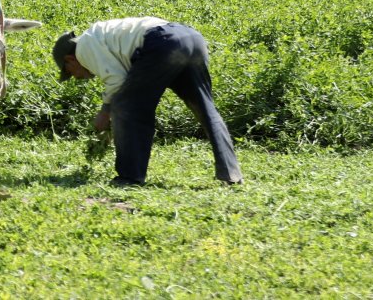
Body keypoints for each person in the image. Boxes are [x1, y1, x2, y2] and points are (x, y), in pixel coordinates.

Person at [54, 17, 241, 186]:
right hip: (191, 38)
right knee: (205, 109)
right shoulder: (99, 35)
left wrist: (105, 113)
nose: (76, 77)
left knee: (126, 107)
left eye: (69, 72)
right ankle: (230, 173)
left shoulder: (84, 47)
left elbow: (117, 81)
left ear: (69, 59)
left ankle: (130, 176)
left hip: (163, 43)